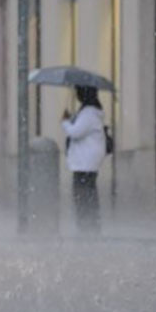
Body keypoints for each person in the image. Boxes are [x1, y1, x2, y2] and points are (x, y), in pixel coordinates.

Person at [61, 85, 107, 233]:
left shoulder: (89, 113)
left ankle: (87, 225)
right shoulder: (90, 112)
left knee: (83, 195)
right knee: (87, 194)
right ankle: (89, 224)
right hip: (87, 162)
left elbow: (76, 132)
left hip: (84, 163)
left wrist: (65, 122)